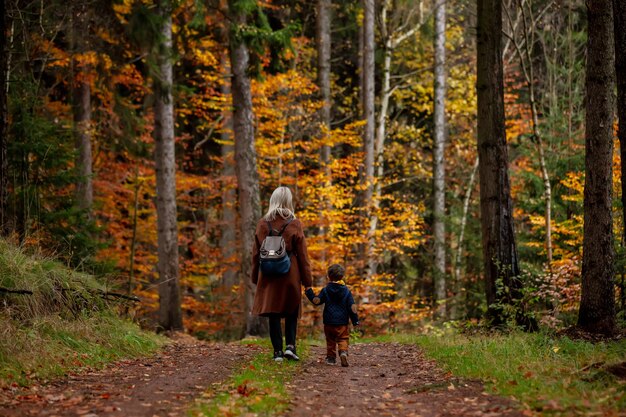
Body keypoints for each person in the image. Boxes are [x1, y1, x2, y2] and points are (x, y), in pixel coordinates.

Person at [251, 186, 313, 362]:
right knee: (291, 310)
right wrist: (307, 280)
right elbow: (302, 255)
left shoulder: (263, 224)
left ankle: (277, 351)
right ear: (288, 201)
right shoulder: (294, 223)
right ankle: (290, 347)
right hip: (290, 273)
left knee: (273, 313)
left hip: (268, 274)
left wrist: (255, 277)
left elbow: (255, 253)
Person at [305, 264, 359, 367]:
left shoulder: (326, 290)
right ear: (342, 276)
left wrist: (309, 292)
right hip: (342, 322)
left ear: (328, 276)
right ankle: (343, 352)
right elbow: (352, 307)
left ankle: (331, 358)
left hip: (329, 321)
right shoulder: (346, 291)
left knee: (330, 340)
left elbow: (317, 301)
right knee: (343, 338)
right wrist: (355, 321)